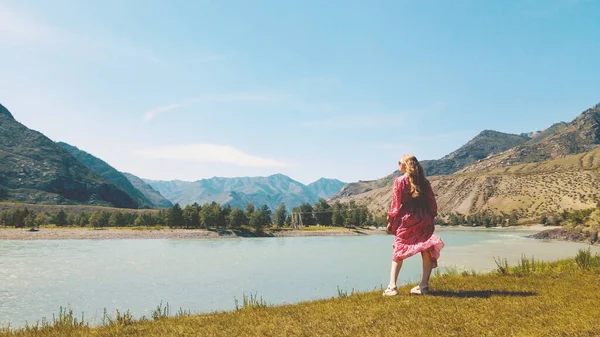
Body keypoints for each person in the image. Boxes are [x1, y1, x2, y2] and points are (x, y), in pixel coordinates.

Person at [383, 154, 445, 296]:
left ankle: (392, 287)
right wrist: (431, 217)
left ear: (405, 165)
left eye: (399, 162)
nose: (398, 164)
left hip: (407, 219)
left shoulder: (399, 181)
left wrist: (391, 221)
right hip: (425, 218)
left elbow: (396, 204)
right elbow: (432, 203)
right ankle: (423, 286)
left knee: (399, 250)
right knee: (426, 249)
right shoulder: (425, 182)